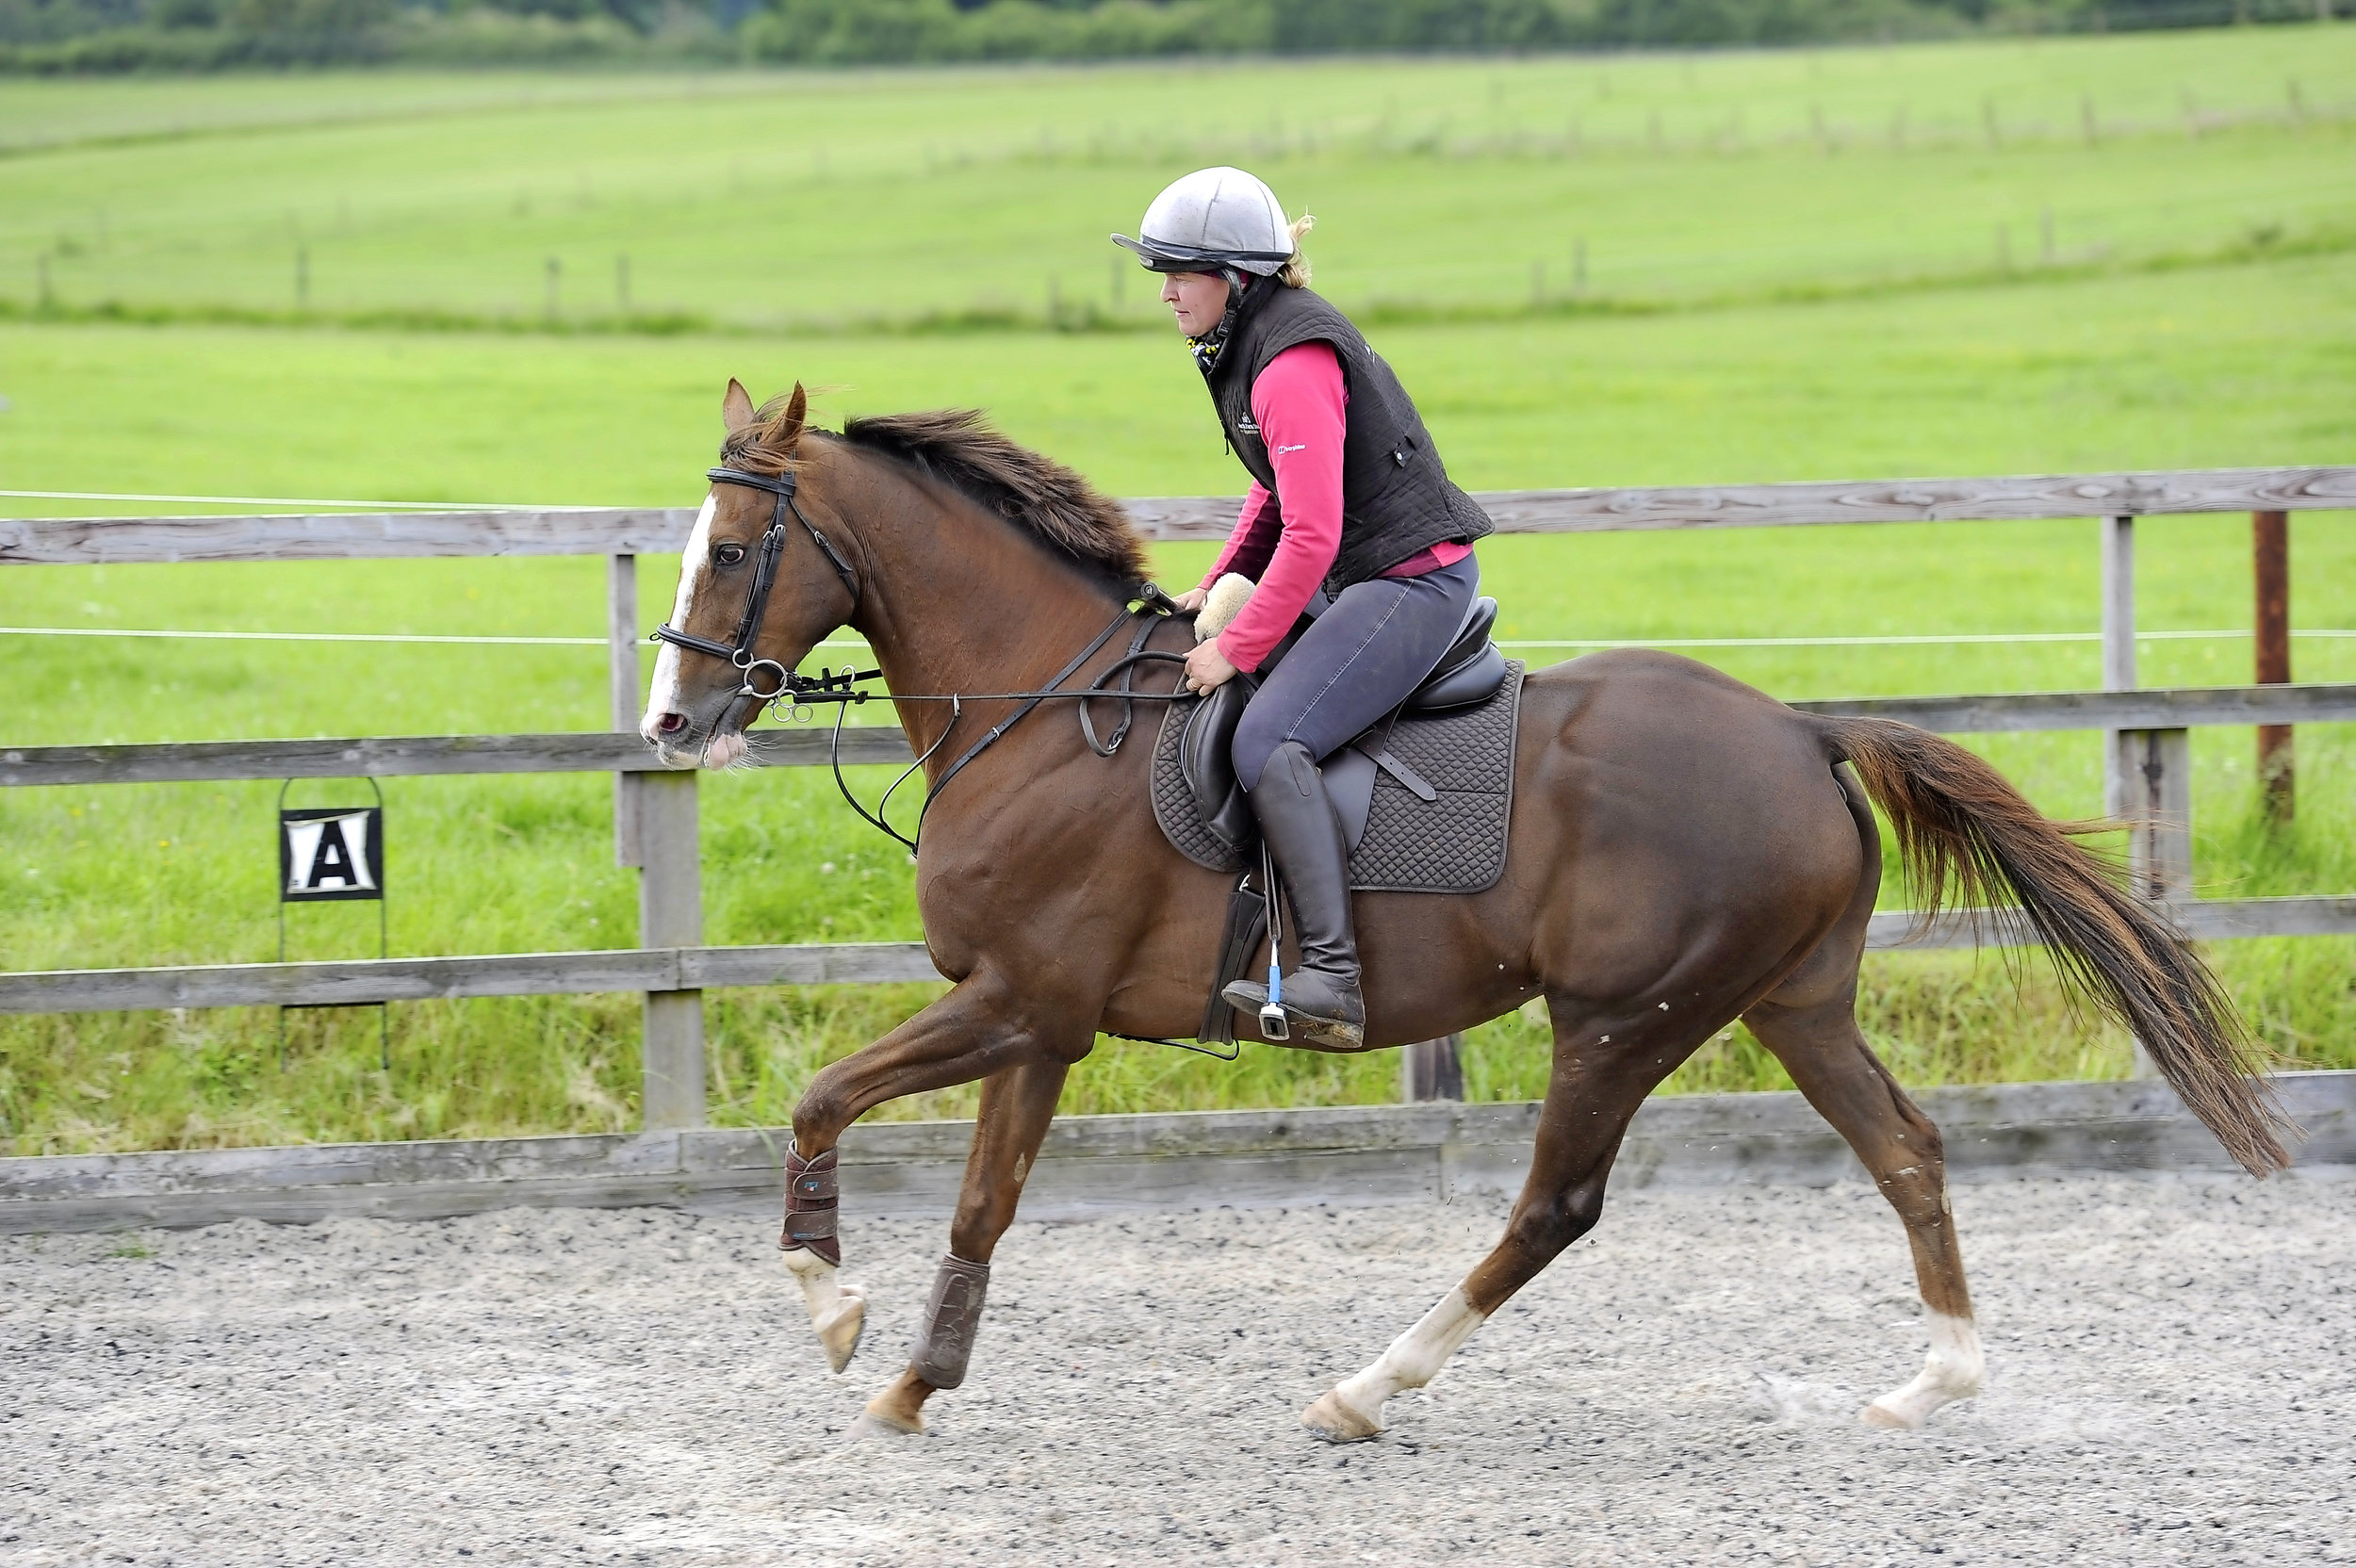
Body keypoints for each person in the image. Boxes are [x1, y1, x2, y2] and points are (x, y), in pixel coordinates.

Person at [1113, 166, 1491, 1050]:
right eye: (1161, 273)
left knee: (1267, 739)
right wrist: (1216, 584)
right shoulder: (1250, 343)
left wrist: (1236, 646)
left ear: (1235, 278)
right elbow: (1271, 492)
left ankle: (1333, 976)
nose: (1165, 293)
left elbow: (1313, 532)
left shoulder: (1288, 361)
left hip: (1411, 582)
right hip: (1365, 572)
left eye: (1181, 273)